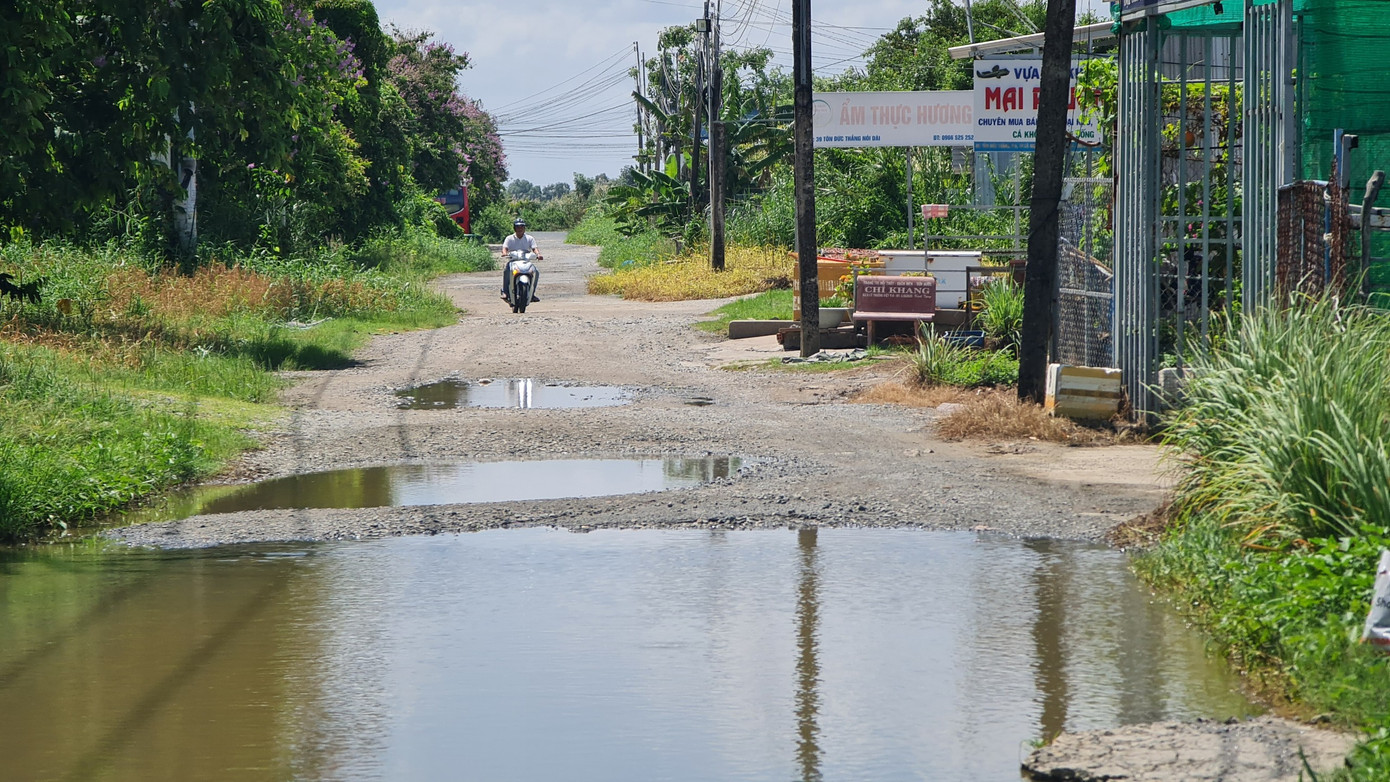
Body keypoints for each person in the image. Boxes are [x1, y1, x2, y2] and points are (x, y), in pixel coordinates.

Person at [501, 218, 542, 302]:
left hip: (526, 261)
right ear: (514, 228)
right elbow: (505, 248)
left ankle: (532, 293)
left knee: (536, 271)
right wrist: (504, 253)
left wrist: (538, 255)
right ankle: (505, 292)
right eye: (518, 227)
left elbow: (534, 248)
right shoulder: (509, 238)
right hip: (513, 261)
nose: (520, 229)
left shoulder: (530, 238)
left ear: (524, 228)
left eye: (522, 227)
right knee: (507, 271)